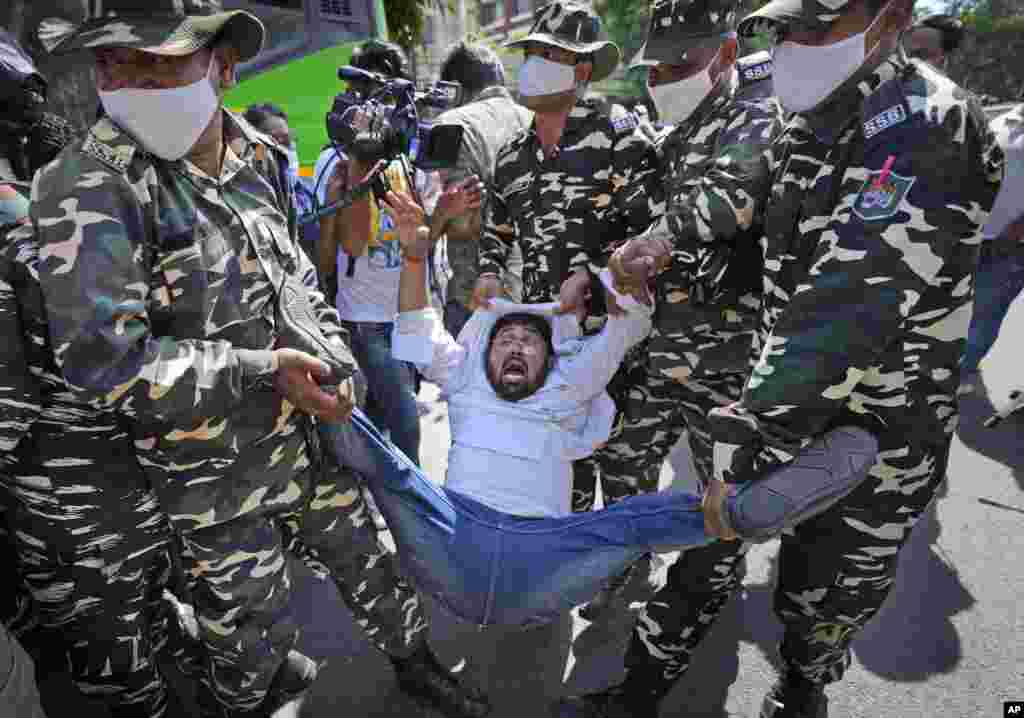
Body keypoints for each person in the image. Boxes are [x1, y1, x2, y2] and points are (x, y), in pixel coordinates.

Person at [28, 3, 488, 717]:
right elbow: (106, 367)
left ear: (224, 65)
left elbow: (298, 279)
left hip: (309, 443)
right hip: (212, 480)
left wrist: (334, 359)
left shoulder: (255, 155)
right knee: (248, 642)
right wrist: (263, 368)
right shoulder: (87, 184)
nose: (130, 78)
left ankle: (416, 665)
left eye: (159, 60)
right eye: (114, 61)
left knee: (373, 569)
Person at [561, 0, 1003, 713]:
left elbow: (841, 311)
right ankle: (640, 691)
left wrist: (736, 452)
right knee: (719, 546)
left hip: (873, 440)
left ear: (890, 17)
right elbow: (734, 187)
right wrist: (656, 240)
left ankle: (803, 686)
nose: (794, 43)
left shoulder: (925, 124)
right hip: (777, 409)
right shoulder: (813, 120)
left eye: (816, 27)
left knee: (820, 596)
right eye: (785, 27)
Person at [312, 187, 879, 628]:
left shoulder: (570, 385)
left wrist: (623, 284)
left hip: (544, 560)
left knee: (629, 520)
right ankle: (322, 410)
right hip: (453, 540)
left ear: (551, 357)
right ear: (482, 349)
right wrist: (416, 254)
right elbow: (417, 325)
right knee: (384, 457)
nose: (515, 344)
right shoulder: (464, 379)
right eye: (504, 338)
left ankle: (735, 513)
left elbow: (622, 330)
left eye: (530, 340)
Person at [576, 0, 787, 621]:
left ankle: (699, 602)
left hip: (725, 359)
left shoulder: (751, 115)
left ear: (724, 54)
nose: (663, 79)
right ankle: (628, 564)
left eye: (679, 64)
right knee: (624, 460)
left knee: (719, 493)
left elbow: (731, 198)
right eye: (655, 70)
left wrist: (655, 242)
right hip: (663, 350)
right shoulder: (676, 134)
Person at [473, 1, 664, 525]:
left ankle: (626, 576)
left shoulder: (619, 136)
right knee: (562, 469)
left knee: (625, 470)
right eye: (531, 51)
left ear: (581, 68)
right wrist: (489, 270)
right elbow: (499, 226)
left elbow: (657, 229)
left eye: (549, 53)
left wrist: (601, 272)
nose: (534, 62)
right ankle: (568, 568)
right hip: (552, 339)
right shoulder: (513, 153)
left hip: (620, 340)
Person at [313, 39, 454, 466]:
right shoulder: (334, 161)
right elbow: (349, 246)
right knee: (405, 426)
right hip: (367, 320)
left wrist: (444, 211)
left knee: (385, 419)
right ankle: (406, 505)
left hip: (409, 314)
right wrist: (359, 164)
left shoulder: (408, 163)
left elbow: (424, 243)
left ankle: (379, 496)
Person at [432, 40, 533, 340]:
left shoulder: (453, 124)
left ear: (456, 90)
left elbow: (462, 223)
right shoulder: (536, 119)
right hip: (537, 296)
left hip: (476, 299)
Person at [962, 102, 1024, 378]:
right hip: (974, 236)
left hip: (1008, 247)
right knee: (955, 312)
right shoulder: (1004, 121)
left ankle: (955, 380)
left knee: (983, 321)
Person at [243, 102, 319, 261]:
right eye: (276, 142)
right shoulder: (246, 214)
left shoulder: (305, 198)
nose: (287, 150)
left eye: (288, 139)